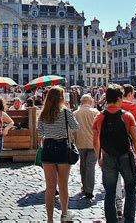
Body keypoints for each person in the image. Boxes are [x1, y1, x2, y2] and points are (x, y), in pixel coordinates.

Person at [92, 84, 136, 223]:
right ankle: (129, 220)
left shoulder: (99, 117)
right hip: (126, 156)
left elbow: (95, 141)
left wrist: (99, 158)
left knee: (109, 193)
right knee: (130, 190)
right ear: (119, 98)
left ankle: (112, 221)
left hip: (108, 157)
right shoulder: (127, 116)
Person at [37, 86, 79, 223]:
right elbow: (76, 127)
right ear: (61, 98)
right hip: (62, 146)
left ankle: (50, 219)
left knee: (50, 187)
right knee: (63, 185)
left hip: (48, 147)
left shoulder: (43, 113)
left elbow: (40, 134)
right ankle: (65, 214)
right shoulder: (65, 112)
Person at [72, 94, 100, 199]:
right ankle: (89, 189)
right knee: (90, 167)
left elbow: (72, 129)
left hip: (80, 143)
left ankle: (84, 186)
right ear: (90, 101)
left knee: (83, 165)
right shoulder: (95, 112)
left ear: (82, 101)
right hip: (93, 143)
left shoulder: (75, 113)